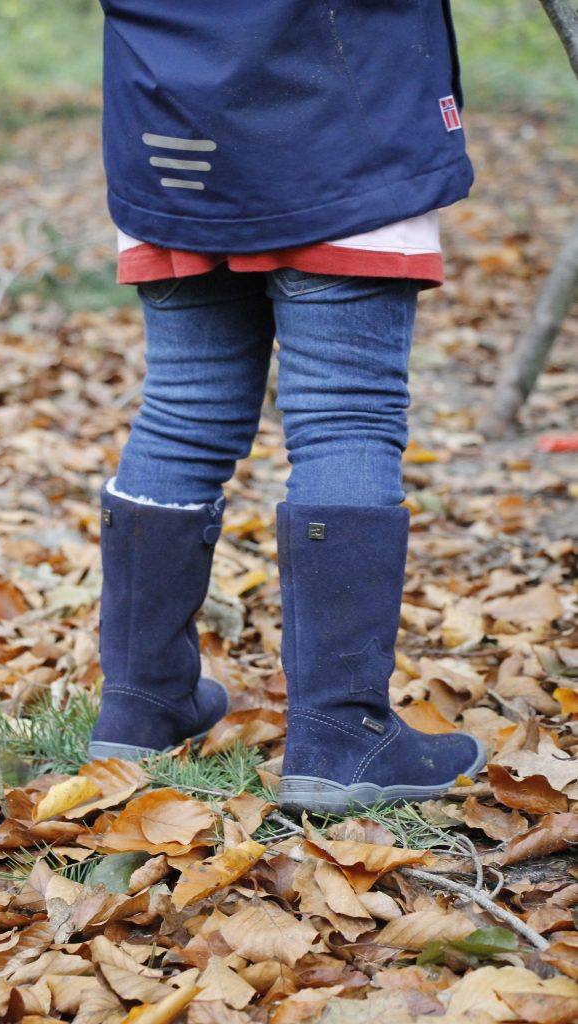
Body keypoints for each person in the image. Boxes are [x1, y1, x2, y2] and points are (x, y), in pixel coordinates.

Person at [87, 0, 487, 814]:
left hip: (168, 125)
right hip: (339, 123)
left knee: (182, 410)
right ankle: (340, 732)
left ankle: (140, 702)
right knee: (346, 413)